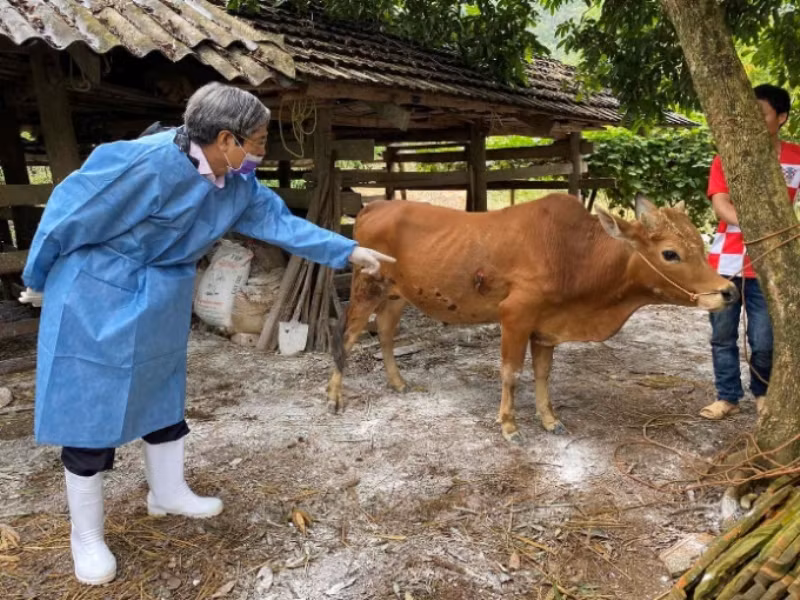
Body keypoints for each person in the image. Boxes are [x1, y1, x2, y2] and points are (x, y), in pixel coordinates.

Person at [16, 82, 395, 585]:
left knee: (161, 388)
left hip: (162, 291)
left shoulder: (238, 184)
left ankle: (167, 492)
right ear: (225, 139)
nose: (263, 150)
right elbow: (66, 214)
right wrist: (39, 278)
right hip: (97, 289)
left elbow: (280, 224)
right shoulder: (138, 163)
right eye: (257, 141)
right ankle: (86, 535)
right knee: (91, 406)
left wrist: (348, 252)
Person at [700, 83, 800, 420]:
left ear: (781, 117)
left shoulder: (796, 158)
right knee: (722, 335)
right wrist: (763, 225)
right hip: (725, 262)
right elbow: (720, 205)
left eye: (762, 114)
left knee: (765, 338)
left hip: (771, 265)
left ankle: (762, 394)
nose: (752, 121)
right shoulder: (726, 156)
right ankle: (727, 397)